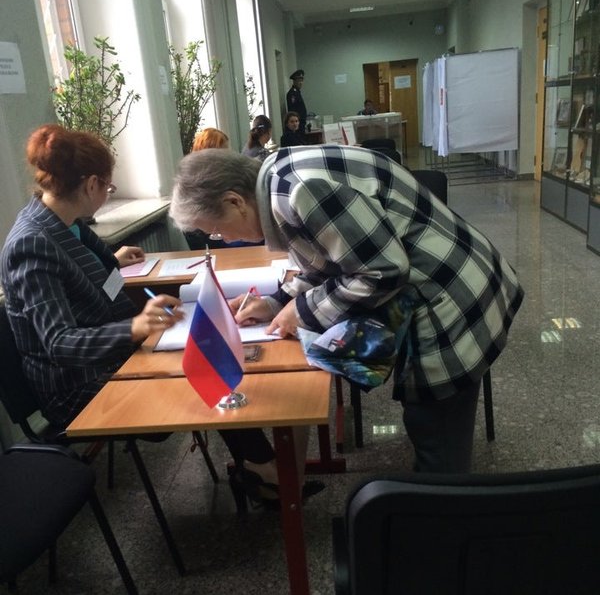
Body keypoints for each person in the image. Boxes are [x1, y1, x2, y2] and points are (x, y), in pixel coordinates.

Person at [0, 124, 314, 509]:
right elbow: (58, 344)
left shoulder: (68, 223)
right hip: (75, 384)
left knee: (206, 357)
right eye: (109, 187)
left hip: (108, 354)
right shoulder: (31, 244)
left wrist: (112, 264)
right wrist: (135, 327)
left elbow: (89, 275)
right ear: (92, 184)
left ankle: (258, 467)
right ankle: (265, 471)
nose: (107, 193)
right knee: (198, 372)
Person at [169, 145, 524, 475]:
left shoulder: (300, 191)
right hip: (445, 278)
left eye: (216, 231)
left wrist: (301, 311)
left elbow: (383, 271)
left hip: (449, 293)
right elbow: (328, 258)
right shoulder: (279, 175)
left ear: (234, 201)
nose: (225, 240)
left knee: (436, 433)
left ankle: (446, 510)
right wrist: (276, 301)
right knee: (432, 421)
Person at [286, 69, 307, 134]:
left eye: (301, 80)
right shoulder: (292, 93)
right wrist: (296, 123)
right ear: (294, 81)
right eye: (299, 80)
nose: (300, 83)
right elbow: (292, 111)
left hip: (300, 124)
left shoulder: (297, 92)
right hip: (296, 125)